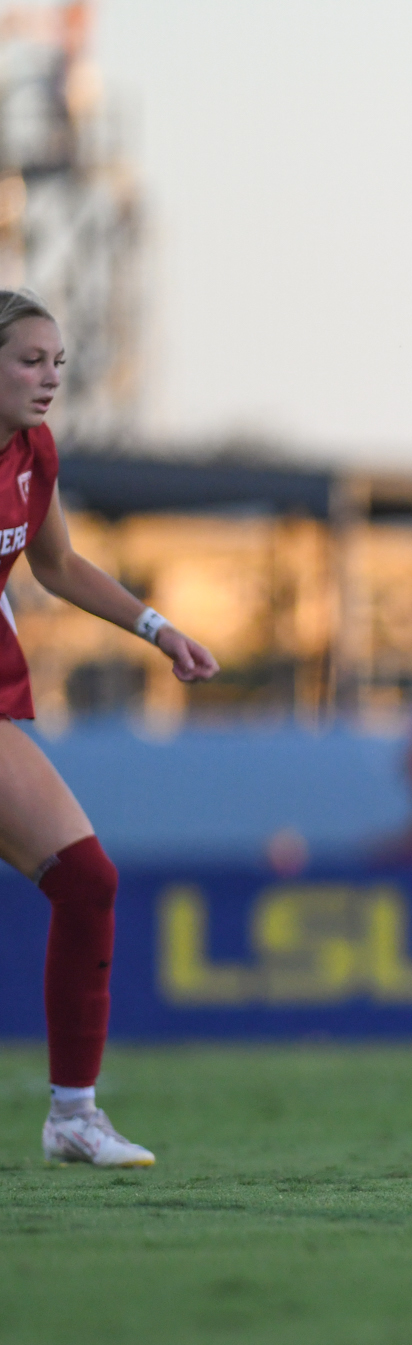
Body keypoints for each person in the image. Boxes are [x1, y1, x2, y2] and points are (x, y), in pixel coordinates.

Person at [0, 288, 221, 1167]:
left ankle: (73, 1117)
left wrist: (157, 628)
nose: (49, 377)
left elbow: (54, 563)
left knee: (87, 880)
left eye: (58, 361)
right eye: (29, 360)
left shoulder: (33, 451)